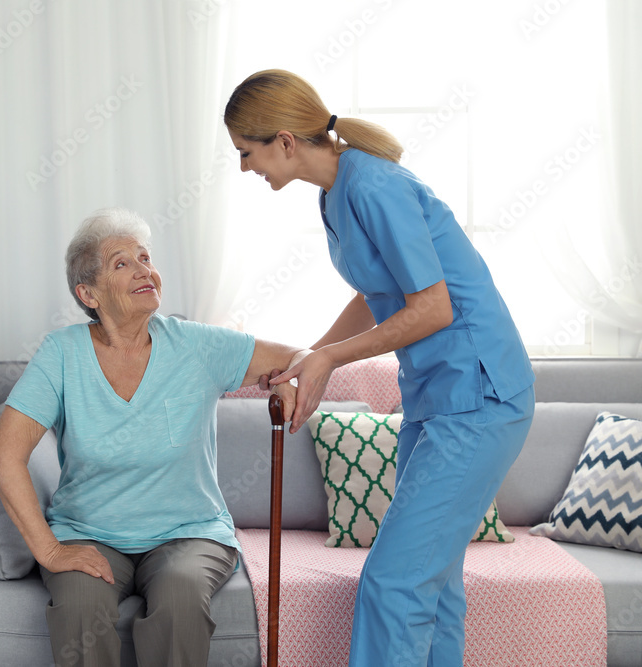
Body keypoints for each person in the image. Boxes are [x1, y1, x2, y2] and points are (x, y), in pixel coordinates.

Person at [223, 69, 535, 666]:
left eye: (247, 152)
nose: (245, 168)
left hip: (479, 394)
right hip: (435, 397)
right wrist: (305, 358)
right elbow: (372, 292)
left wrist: (330, 360)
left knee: (393, 585)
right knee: (433, 585)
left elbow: (434, 307)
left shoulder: (374, 186)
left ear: (284, 140)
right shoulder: (333, 192)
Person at [0, 207, 302, 667]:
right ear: (87, 292)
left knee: (180, 601)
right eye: (122, 263)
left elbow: (297, 354)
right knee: (79, 608)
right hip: (90, 535)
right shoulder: (62, 354)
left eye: (145, 257)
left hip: (189, 534)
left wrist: (290, 376)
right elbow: (4, 456)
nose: (144, 270)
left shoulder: (196, 345)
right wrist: (50, 550)